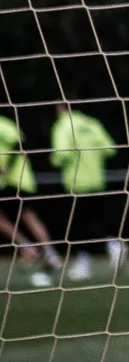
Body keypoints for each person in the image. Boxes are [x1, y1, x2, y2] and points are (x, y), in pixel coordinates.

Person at [49, 103, 123, 280]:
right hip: (97, 180)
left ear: (61, 107)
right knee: (92, 221)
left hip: (76, 182)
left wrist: (54, 160)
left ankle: (100, 253)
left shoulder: (64, 125)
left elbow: (62, 155)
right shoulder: (92, 124)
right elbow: (110, 149)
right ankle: (106, 250)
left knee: (79, 225)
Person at [0, 111, 59, 287]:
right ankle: (28, 247)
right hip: (6, 182)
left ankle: (48, 253)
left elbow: (20, 143)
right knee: (21, 216)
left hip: (17, 180)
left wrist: (6, 166)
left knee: (28, 215)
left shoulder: (3, 124)